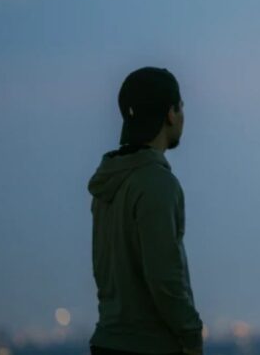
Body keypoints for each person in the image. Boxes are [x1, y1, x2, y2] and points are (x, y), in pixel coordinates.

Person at [87, 67, 203, 355]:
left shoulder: (109, 181)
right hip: (150, 346)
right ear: (170, 114)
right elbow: (165, 276)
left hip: (108, 340)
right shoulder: (156, 183)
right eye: (181, 107)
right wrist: (191, 334)